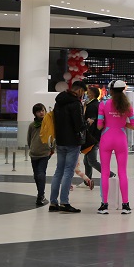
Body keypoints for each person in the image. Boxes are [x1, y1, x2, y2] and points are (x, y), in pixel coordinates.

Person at [97, 80, 134, 214]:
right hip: (121, 139)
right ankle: (126, 205)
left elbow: (99, 126)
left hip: (106, 139)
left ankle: (104, 205)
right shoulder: (128, 106)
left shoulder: (103, 104)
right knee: (122, 172)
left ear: (111, 90)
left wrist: (108, 123)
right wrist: (122, 124)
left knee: (105, 172)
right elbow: (133, 126)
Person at [49, 81, 87, 213]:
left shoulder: (58, 102)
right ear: (80, 90)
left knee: (59, 170)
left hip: (60, 141)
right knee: (68, 171)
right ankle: (64, 202)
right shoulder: (76, 103)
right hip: (72, 142)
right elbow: (78, 125)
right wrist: (87, 123)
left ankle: (53, 202)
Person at [77, 85, 111, 188]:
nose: (87, 93)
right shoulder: (97, 104)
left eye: (89, 92)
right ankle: (87, 181)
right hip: (95, 136)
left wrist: (88, 136)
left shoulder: (92, 106)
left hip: (92, 137)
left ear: (92, 94)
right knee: (87, 160)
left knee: (92, 161)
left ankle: (111, 175)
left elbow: (91, 122)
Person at [27, 103, 54, 206]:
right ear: (35, 113)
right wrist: (31, 148)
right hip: (34, 153)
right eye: (39, 111)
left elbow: (53, 137)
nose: (41, 113)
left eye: (43, 110)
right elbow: (29, 139)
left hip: (44, 152)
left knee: (40, 173)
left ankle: (40, 195)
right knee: (37, 174)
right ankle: (40, 194)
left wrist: (52, 149)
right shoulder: (32, 125)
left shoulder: (49, 124)